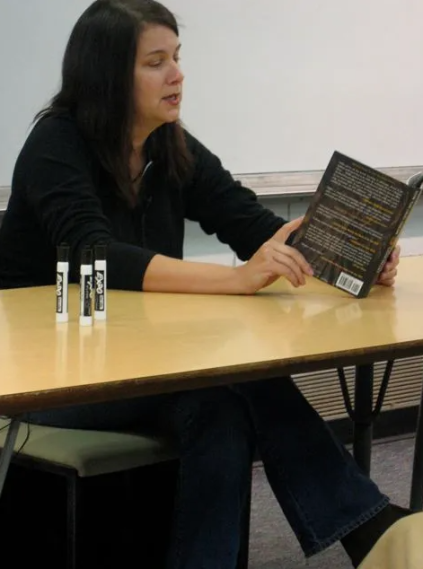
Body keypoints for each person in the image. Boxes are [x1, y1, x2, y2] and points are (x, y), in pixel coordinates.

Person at [0, 1, 405, 568]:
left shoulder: (169, 145)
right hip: (56, 378)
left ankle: (358, 532)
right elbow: (95, 254)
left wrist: (357, 255)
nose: (177, 75)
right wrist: (236, 280)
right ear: (108, 75)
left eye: (177, 58)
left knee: (219, 405)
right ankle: (371, 529)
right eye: (156, 62)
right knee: (237, 385)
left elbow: (256, 229)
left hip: (144, 363)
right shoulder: (56, 144)